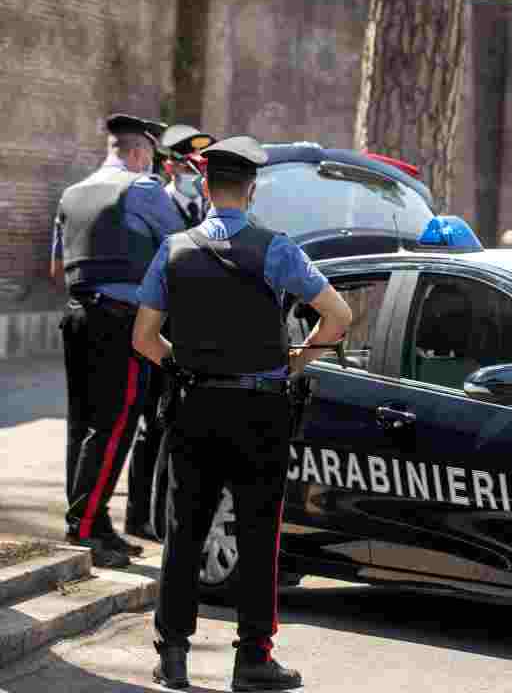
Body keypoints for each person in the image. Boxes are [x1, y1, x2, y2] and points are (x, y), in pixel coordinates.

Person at [133, 136, 352, 690]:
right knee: (259, 532)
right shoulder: (275, 249)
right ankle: (253, 659)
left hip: (195, 405)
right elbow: (339, 315)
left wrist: (181, 364)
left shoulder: (173, 249)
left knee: (185, 530)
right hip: (260, 409)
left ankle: (174, 655)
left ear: (205, 188)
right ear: (251, 192)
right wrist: (297, 362)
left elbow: (142, 338)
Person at [52, 113, 185, 568]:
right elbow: (183, 244)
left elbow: (58, 268)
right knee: (114, 426)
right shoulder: (142, 188)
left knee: (83, 425)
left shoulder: (71, 194)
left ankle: (90, 518)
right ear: (139, 153)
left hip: (76, 316)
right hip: (121, 322)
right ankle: (86, 527)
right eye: (151, 156)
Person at [123, 125, 220, 542]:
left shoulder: (208, 209)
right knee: (150, 425)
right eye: (187, 164)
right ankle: (137, 514)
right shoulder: (154, 206)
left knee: (181, 426)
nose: (195, 172)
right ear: (169, 166)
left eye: (201, 165)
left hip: (194, 335)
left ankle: (170, 516)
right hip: (158, 332)